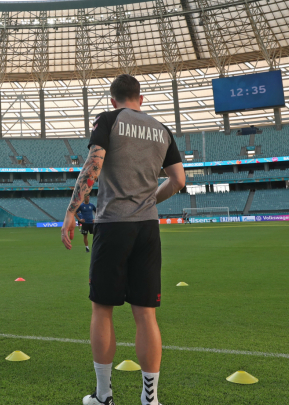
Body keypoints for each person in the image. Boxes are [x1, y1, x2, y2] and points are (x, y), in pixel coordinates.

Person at [61, 74, 185, 405]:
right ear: (140, 99)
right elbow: (178, 180)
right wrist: (149, 200)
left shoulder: (109, 119)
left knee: (102, 310)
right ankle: (150, 400)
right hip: (148, 228)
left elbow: (94, 162)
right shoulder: (161, 128)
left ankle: (103, 396)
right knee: (146, 315)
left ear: (113, 99)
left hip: (114, 224)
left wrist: (72, 210)